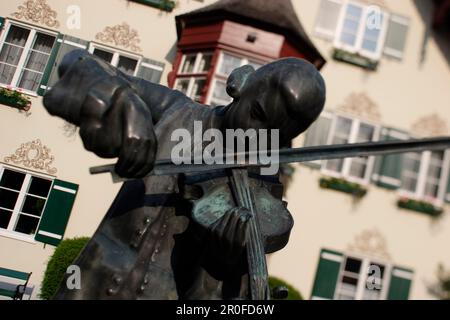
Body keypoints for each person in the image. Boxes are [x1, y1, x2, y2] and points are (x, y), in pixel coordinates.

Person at [43, 50, 326, 299]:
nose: (254, 135)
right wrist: (124, 99)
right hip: (89, 286)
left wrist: (220, 264)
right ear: (240, 82)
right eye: (256, 113)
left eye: (274, 136)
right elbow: (77, 61)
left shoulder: (263, 184)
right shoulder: (175, 111)